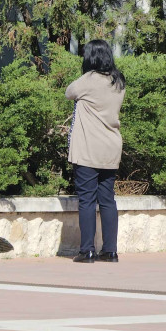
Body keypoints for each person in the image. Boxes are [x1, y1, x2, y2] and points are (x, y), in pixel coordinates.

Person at [66, 39, 126, 263]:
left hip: (88, 149)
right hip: (110, 147)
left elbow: (68, 92)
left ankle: (87, 250)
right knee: (108, 199)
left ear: (90, 57)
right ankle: (110, 251)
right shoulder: (117, 80)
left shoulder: (88, 79)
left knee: (87, 200)